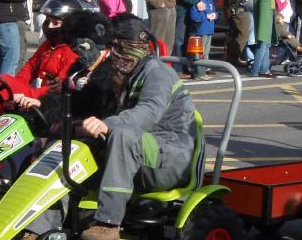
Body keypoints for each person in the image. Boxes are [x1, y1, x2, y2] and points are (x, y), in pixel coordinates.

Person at [22, 13, 196, 240]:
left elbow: (149, 111)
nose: (113, 53)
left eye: (118, 47)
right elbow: (97, 110)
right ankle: (38, 228)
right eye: (112, 47)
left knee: (123, 133)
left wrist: (106, 124)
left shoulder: (157, 71)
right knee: (66, 149)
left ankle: (108, 224)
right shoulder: (121, 75)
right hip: (133, 154)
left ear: (132, 47)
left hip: (168, 157)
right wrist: (69, 127)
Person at [10, 0, 82, 102]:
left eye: (56, 23)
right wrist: (13, 87)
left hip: (54, 103)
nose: (49, 26)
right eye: (47, 21)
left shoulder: (73, 52)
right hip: (36, 97)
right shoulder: (48, 44)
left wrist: (26, 95)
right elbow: (30, 67)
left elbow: (58, 87)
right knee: (3, 81)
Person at [250, 0, 277, 78]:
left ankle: (265, 69)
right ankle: (256, 70)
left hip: (269, 8)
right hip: (263, 9)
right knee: (263, 40)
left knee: (267, 41)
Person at [189, 0, 217, 81]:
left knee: (206, 52)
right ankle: (198, 73)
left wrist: (215, 15)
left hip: (209, 30)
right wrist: (206, 17)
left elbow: (215, 11)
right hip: (201, 30)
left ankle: (203, 71)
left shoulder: (209, 0)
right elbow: (194, 16)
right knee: (200, 53)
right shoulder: (198, 0)